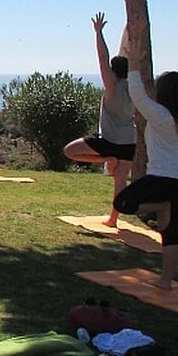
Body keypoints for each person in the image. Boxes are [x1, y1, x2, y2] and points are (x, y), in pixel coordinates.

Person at [112, 43, 178, 290]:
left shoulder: (161, 116)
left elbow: (136, 93)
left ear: (164, 93)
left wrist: (133, 61)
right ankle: (165, 281)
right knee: (171, 232)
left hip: (160, 179)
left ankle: (160, 206)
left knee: (122, 203)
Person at [63, 13, 136, 226]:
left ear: (113, 72)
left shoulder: (112, 87)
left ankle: (105, 159)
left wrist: (98, 33)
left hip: (109, 141)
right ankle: (113, 219)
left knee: (69, 151)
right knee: (120, 181)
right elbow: (130, 59)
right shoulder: (135, 88)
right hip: (129, 142)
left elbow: (102, 59)